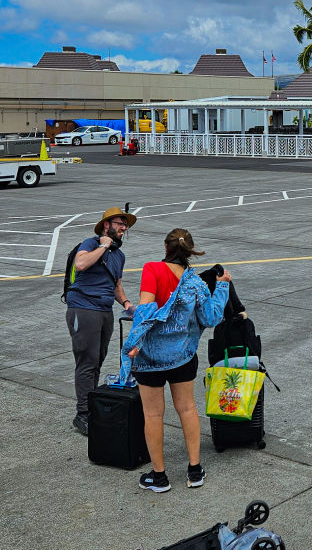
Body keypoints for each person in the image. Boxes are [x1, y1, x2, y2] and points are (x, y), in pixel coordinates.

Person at [122, 228, 231, 493]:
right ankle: (194, 470)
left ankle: (159, 477)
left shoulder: (152, 269)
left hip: (150, 358)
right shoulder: (196, 283)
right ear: (189, 251)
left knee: (153, 414)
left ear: (165, 248)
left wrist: (134, 342)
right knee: (187, 408)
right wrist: (223, 285)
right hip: (182, 357)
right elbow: (211, 317)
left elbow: (146, 308)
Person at [66, 205, 136, 436]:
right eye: (120, 224)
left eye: (125, 225)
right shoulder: (90, 243)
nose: (123, 228)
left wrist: (127, 304)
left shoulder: (119, 255)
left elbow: (116, 285)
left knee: (97, 360)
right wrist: (103, 246)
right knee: (87, 362)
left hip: (105, 311)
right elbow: (81, 264)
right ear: (106, 225)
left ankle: (91, 407)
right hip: (84, 308)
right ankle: (83, 415)